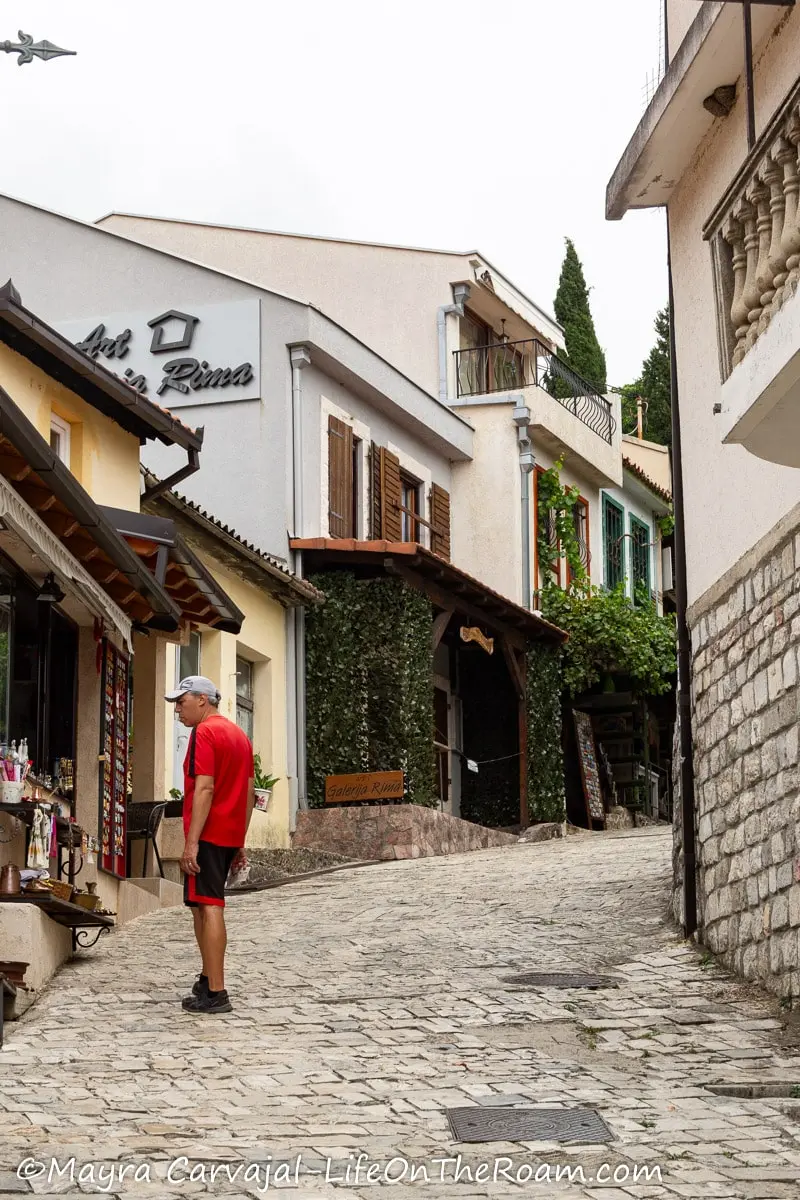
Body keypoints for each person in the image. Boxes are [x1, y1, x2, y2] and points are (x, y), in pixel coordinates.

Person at [164, 675, 254, 1014]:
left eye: (181, 701)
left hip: (208, 833)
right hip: (227, 833)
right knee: (202, 906)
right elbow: (249, 792)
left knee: (210, 905)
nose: (177, 709)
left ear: (202, 699)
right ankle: (206, 979)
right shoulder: (239, 735)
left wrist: (191, 844)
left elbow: (204, 788)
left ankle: (216, 992)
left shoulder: (205, 732)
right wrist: (240, 840)